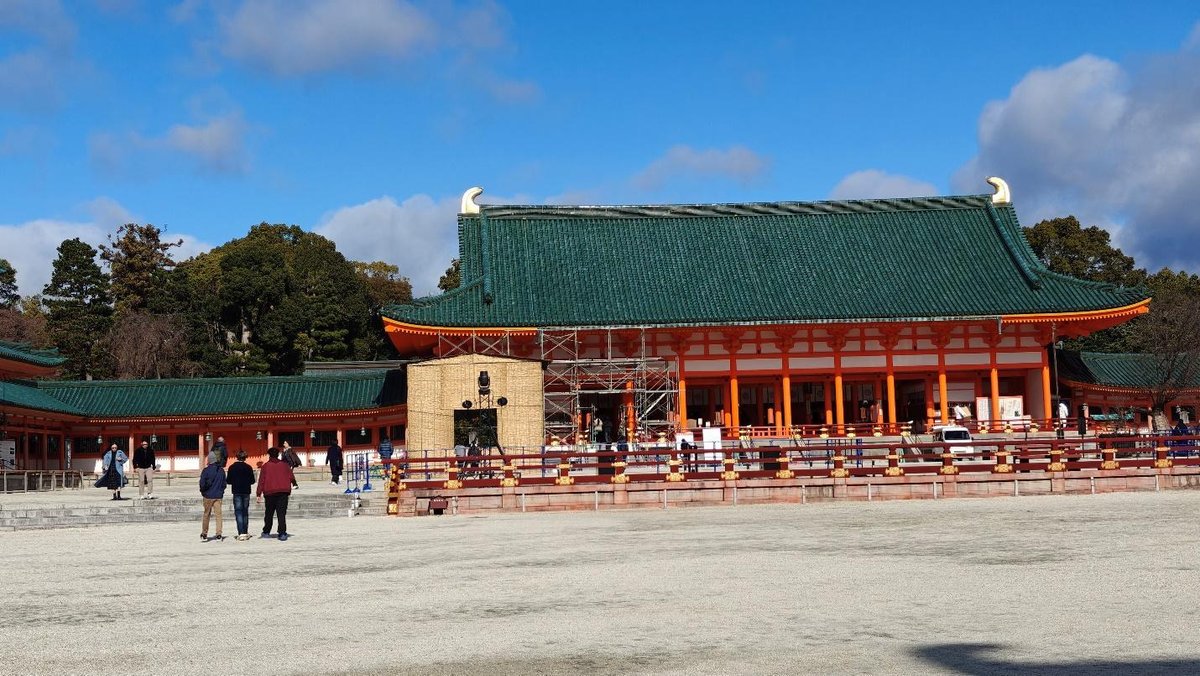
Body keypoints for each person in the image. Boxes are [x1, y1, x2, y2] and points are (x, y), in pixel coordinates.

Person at [257, 447, 294, 541]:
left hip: (270, 492)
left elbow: (261, 480)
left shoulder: (265, 466)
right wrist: (293, 484)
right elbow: (291, 477)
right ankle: (282, 533)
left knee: (269, 513)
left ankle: (266, 532)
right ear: (278, 455)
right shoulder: (285, 465)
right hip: (283, 492)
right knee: (281, 514)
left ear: (269, 455)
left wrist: (258, 493)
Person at [226, 450, 256, 541]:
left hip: (236, 491)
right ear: (245, 457)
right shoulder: (248, 467)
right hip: (246, 491)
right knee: (245, 511)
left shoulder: (232, 467)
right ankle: (245, 532)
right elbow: (252, 481)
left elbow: (228, 481)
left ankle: (241, 533)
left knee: (238, 512)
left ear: (237, 457)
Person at [198, 451, 227, 542]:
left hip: (208, 495)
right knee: (219, 515)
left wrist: (203, 492)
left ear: (209, 460)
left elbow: (202, 484)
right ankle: (219, 534)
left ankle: (204, 533)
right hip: (218, 495)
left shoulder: (206, 471)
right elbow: (224, 484)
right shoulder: (221, 470)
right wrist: (221, 492)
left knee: (206, 514)